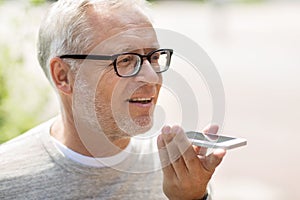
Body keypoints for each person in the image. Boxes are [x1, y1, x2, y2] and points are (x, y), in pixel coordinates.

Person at [0, 0, 226, 199]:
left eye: (154, 57)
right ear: (64, 76)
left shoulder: (177, 173)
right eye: (126, 60)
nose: (152, 77)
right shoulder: (7, 179)